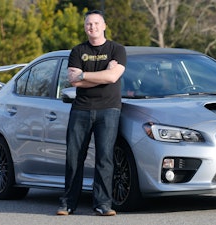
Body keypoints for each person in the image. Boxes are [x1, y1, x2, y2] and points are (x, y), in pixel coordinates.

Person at [56, 10, 126, 216]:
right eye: (88, 24)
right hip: (81, 109)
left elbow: (113, 77)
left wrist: (85, 74)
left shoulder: (117, 50)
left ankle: (103, 205)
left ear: (104, 26)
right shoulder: (78, 51)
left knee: (105, 157)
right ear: (85, 27)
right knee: (74, 157)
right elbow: (73, 81)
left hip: (109, 110)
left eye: (96, 23)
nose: (92, 27)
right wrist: (103, 73)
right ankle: (67, 203)